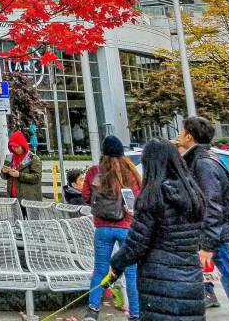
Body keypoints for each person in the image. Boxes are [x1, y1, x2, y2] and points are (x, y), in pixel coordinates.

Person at [109, 138, 205, 321]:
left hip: (158, 281)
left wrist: (116, 264)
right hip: (191, 277)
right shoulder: (193, 193)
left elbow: (136, 245)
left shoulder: (153, 196)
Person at [180, 114, 229, 318]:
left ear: (189, 137)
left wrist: (207, 245)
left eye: (182, 131)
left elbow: (212, 206)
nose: (179, 135)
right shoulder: (209, 159)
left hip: (225, 239)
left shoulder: (203, 163)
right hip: (226, 237)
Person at [82, 135, 142, 321]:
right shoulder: (129, 173)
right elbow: (138, 199)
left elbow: (85, 196)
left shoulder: (94, 172)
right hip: (126, 228)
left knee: (100, 269)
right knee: (132, 273)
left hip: (102, 228)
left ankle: (93, 310)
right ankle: (135, 313)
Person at [1, 130, 43, 202]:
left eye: (17, 147)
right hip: (13, 196)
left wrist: (19, 175)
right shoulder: (9, 158)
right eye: (13, 147)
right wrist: (4, 172)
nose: (15, 149)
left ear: (22, 145)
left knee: (30, 213)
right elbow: (4, 177)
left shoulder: (33, 158)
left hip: (29, 198)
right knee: (15, 213)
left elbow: (37, 177)